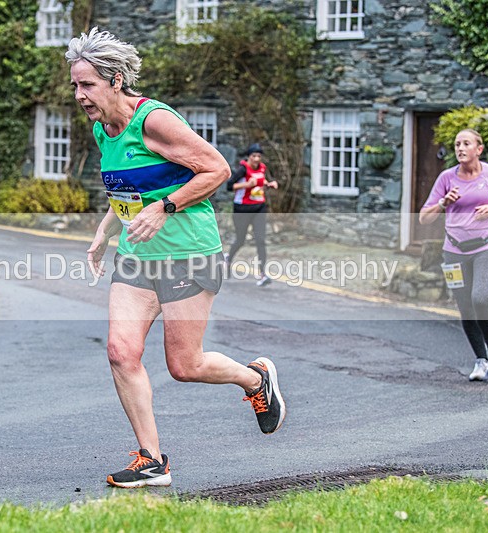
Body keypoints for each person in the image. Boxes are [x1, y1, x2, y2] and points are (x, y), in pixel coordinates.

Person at [66, 28, 285, 489]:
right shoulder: (102, 129)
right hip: (137, 255)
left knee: (185, 366)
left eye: (87, 84)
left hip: (189, 253)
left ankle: (254, 379)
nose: (80, 94)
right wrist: (104, 232)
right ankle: (152, 459)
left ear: (116, 80)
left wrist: (166, 207)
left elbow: (218, 169)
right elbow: (127, 188)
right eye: (75, 85)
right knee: (120, 352)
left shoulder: (154, 120)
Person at [419, 128, 488, 381]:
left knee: (480, 296)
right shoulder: (445, 178)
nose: (460, 148)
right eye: (457, 144)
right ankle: (480, 360)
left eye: (466, 143)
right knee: (465, 306)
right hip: (453, 251)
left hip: (487, 246)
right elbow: (424, 218)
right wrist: (443, 203)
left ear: (479, 149)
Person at [225, 143, 278, 286]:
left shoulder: (262, 168)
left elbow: (261, 181)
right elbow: (230, 186)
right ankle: (228, 259)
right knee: (240, 239)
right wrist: (247, 185)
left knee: (260, 240)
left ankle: (263, 274)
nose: (256, 159)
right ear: (249, 157)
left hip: (259, 208)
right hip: (242, 209)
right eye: (254, 156)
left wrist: (269, 184)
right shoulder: (242, 170)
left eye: (259, 156)